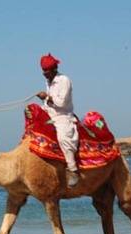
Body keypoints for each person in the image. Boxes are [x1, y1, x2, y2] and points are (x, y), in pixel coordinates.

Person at [36, 53, 79, 187]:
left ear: (54, 69)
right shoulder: (49, 81)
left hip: (62, 116)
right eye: (43, 72)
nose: (44, 74)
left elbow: (61, 103)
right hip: (49, 113)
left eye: (46, 72)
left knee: (63, 137)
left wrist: (46, 97)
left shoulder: (64, 80)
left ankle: (73, 170)